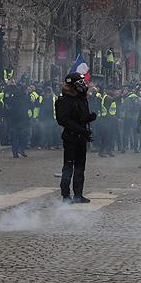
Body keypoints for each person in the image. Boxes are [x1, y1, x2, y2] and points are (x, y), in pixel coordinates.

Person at [55, 73, 96, 203]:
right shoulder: (64, 100)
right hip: (71, 138)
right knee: (68, 166)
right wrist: (81, 130)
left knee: (80, 167)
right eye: (80, 83)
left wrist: (90, 118)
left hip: (81, 138)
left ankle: (78, 194)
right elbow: (63, 120)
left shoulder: (81, 98)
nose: (84, 85)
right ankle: (66, 196)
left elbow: (81, 117)